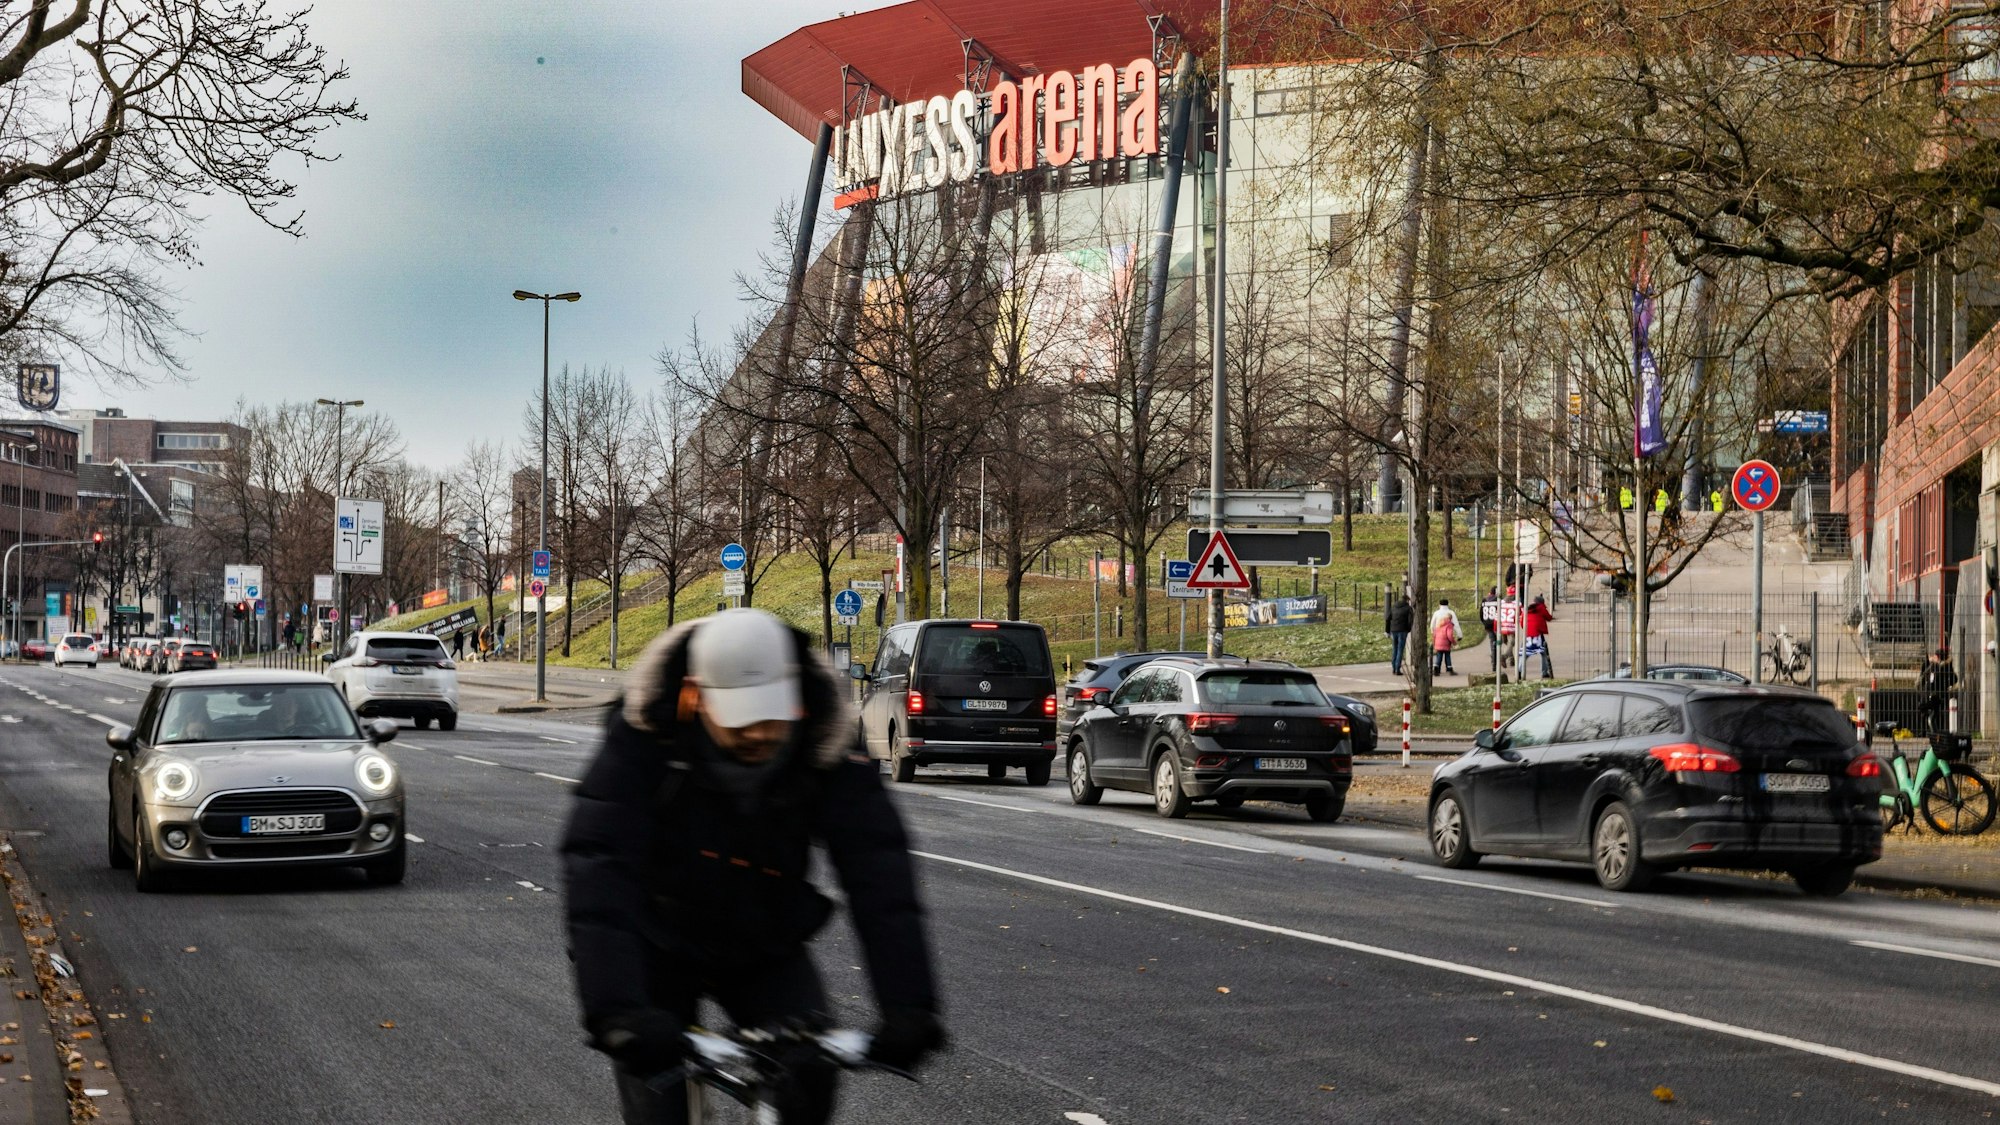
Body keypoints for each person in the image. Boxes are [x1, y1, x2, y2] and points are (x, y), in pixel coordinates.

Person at [561, 609, 944, 1124]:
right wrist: (615, 1009)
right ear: (696, 698)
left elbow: (879, 869)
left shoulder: (823, 738)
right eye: (742, 721)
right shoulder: (647, 732)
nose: (762, 734)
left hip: (765, 936)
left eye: (773, 715)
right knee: (657, 1098)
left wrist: (909, 1006)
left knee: (809, 1080)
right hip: (658, 938)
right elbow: (599, 861)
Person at [1920, 647, 1958, 736]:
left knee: (1926, 710)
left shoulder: (1940, 667)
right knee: (1932, 714)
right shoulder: (1940, 666)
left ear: (1937, 657)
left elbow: (1931, 680)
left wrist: (1944, 685)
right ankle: (1931, 732)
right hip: (1935, 694)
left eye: (1935, 656)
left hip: (1935, 695)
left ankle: (1932, 733)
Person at [1519, 594, 1555, 680]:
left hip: (1527, 634)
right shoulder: (1541, 608)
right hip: (1537, 634)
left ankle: (1519, 670)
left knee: (1525, 653)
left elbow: (1522, 622)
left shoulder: (1526, 609)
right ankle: (1544, 672)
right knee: (1543, 653)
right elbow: (1549, 618)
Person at [1384, 592, 1414, 676]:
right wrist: (1408, 629)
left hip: (1393, 630)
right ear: (1407, 600)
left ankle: (1394, 667)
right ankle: (1397, 668)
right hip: (1402, 630)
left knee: (1395, 649)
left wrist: (1387, 630)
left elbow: (1387, 618)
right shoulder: (1408, 608)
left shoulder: (1394, 607)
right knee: (1400, 649)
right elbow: (1410, 621)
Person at [1430, 599, 1461, 676]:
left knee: (1439, 655)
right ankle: (1449, 668)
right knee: (1447, 655)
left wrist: (1433, 635)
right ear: (1448, 604)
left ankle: (1436, 669)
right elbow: (1456, 625)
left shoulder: (1437, 614)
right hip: (1446, 641)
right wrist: (1459, 635)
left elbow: (1432, 625)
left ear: (1439, 604)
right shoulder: (1451, 614)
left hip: (1438, 639)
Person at [1479, 587, 1502, 672]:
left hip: (1488, 624)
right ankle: (1498, 659)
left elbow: (1481, 613)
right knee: (1499, 642)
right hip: (1496, 624)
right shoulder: (1498, 600)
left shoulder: (1484, 600)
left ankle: (1494, 663)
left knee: (1493, 644)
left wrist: (1484, 622)